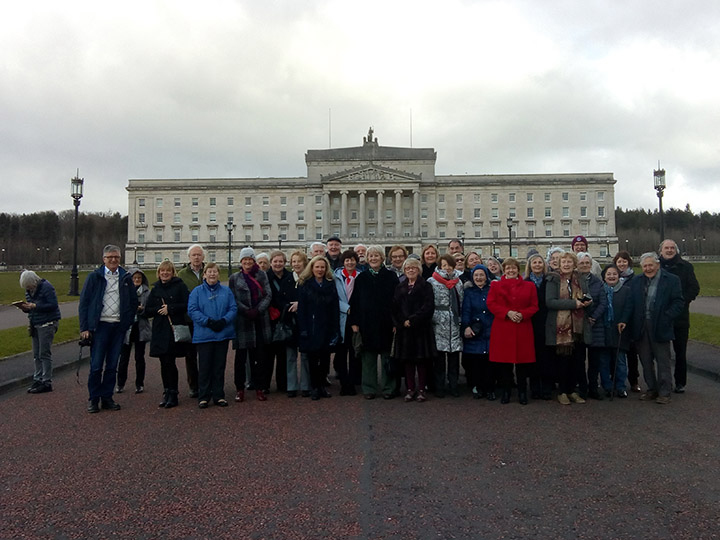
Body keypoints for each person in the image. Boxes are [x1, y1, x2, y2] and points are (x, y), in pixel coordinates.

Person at [79, 245, 138, 413]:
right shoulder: (94, 277)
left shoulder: (125, 277)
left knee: (112, 365)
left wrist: (126, 322)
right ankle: (93, 398)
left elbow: (133, 302)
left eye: (116, 257)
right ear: (104, 259)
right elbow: (84, 303)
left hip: (118, 326)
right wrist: (84, 327)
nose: (113, 260)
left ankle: (107, 397)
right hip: (100, 326)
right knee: (96, 365)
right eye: (110, 257)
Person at [619, 252, 684, 404]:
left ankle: (665, 391)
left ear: (658, 265)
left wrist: (667, 316)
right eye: (645, 266)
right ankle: (652, 389)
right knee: (646, 360)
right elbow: (630, 304)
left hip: (661, 324)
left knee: (663, 360)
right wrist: (623, 320)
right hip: (641, 325)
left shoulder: (671, 280)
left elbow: (678, 302)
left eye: (650, 265)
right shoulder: (636, 281)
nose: (648, 268)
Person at [350, 245, 399, 399]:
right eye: (370, 256)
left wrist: (396, 322)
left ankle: (388, 388)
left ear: (382, 258)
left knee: (387, 357)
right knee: (368, 359)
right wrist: (355, 322)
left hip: (386, 323)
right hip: (367, 323)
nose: (373, 258)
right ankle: (369, 388)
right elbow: (355, 302)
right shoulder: (362, 278)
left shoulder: (391, 277)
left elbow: (398, 302)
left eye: (376, 256)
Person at [487, 257, 539, 405]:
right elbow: (491, 303)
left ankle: (522, 392)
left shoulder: (529, 286)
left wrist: (523, 314)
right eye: (508, 268)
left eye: (513, 268)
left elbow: (534, 306)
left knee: (522, 364)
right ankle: (506, 391)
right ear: (504, 270)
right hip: (503, 326)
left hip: (522, 326)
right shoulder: (496, 286)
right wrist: (507, 313)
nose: (511, 270)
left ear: (518, 269)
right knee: (505, 364)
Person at [187, 262, 237, 408]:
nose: (212, 274)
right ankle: (204, 396)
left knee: (219, 366)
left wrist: (224, 320)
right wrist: (207, 322)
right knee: (204, 366)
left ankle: (218, 395)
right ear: (204, 274)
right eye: (209, 271)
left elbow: (233, 308)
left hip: (222, 332)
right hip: (204, 333)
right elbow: (193, 310)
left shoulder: (226, 291)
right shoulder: (196, 292)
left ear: (218, 274)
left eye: (215, 271)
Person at [545, 251, 592, 405]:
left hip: (577, 327)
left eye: (569, 262)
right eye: (563, 262)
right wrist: (574, 304)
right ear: (559, 264)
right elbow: (550, 302)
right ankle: (562, 391)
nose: (566, 265)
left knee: (577, 361)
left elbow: (586, 294)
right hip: (561, 328)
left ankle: (572, 390)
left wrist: (587, 301)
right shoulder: (553, 279)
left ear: (574, 264)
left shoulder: (580, 279)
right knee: (563, 362)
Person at [145, 261, 190, 409]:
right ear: (158, 273)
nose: (165, 273)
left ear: (172, 272)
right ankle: (166, 391)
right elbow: (148, 310)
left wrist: (170, 308)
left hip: (173, 328)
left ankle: (173, 393)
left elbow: (187, 304)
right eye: (162, 271)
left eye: (167, 271)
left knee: (170, 362)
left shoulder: (180, 286)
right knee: (163, 362)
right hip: (159, 329)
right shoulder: (156, 288)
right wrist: (159, 309)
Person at [230, 247, 272, 402]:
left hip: (259, 320)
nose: (247, 262)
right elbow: (233, 298)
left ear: (254, 261)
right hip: (243, 321)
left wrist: (258, 310)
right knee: (240, 359)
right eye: (244, 259)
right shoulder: (235, 278)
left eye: (250, 259)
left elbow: (268, 294)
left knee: (259, 358)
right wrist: (246, 311)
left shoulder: (262, 275)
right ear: (241, 262)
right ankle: (239, 388)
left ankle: (259, 388)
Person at [391, 258, 436, 402]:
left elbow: (428, 306)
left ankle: (421, 389)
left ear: (419, 270)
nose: (411, 270)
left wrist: (413, 319)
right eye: (408, 268)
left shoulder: (426, 286)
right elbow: (395, 307)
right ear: (404, 271)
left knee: (421, 360)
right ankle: (410, 389)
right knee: (408, 361)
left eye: (414, 268)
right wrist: (402, 321)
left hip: (420, 328)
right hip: (405, 329)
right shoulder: (400, 287)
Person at [659, 239, 700, 393]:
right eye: (666, 248)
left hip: (680, 317)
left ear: (676, 250)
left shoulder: (686, 267)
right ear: (661, 251)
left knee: (680, 352)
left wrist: (681, 302)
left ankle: (680, 382)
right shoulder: (656, 267)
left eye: (672, 248)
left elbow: (694, 288)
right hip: (661, 316)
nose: (669, 250)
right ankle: (664, 381)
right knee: (661, 353)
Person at [296, 255, 341, 400]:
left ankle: (322, 386)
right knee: (313, 360)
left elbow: (335, 307)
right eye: (317, 267)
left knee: (325, 359)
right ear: (312, 268)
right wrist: (303, 329)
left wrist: (335, 328)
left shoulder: (330, 284)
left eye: (322, 267)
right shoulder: (305, 284)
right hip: (311, 326)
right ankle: (314, 387)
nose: (320, 270)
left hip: (326, 326)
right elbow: (302, 309)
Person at [18, 270, 61, 394]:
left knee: (44, 353)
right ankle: (38, 378)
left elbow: (53, 305)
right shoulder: (29, 291)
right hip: (35, 323)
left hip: (47, 323)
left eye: (29, 286)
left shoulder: (47, 287)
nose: (28, 289)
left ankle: (46, 381)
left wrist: (35, 306)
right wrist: (25, 308)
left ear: (34, 281)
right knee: (36, 354)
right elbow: (31, 309)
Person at [428, 254, 464, 397]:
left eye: (449, 265)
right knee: (439, 359)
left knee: (454, 358)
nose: (447, 268)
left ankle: (454, 385)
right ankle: (440, 387)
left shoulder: (458, 282)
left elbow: (461, 302)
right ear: (439, 266)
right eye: (444, 265)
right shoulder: (432, 281)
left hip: (454, 321)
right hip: (439, 321)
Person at [461, 264, 495, 400]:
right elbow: (466, 311)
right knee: (477, 362)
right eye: (476, 275)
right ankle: (478, 387)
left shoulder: (492, 290)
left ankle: (490, 388)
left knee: (490, 362)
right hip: (476, 330)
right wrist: (466, 326)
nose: (479, 278)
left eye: (481, 275)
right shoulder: (469, 292)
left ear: (486, 277)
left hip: (491, 329)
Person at [578, 252, 608, 400]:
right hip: (579, 324)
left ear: (591, 265)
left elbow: (603, 302)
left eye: (587, 263)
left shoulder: (597, 281)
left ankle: (593, 388)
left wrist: (593, 317)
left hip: (595, 325)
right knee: (579, 359)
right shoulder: (574, 281)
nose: (584, 265)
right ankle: (582, 387)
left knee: (594, 360)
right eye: (582, 263)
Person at [117, 269, 151, 394]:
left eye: (139, 278)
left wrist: (142, 310)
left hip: (140, 327)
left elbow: (150, 310)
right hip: (127, 328)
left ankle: (139, 383)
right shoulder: (124, 292)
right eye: (134, 278)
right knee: (123, 358)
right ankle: (120, 383)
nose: (136, 280)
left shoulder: (147, 292)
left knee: (139, 357)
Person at [524, 251, 553, 400]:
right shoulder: (526, 282)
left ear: (544, 265)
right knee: (533, 356)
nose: (537, 265)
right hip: (531, 323)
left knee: (546, 356)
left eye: (540, 262)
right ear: (530, 265)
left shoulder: (549, 281)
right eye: (534, 262)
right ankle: (535, 388)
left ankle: (547, 388)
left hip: (547, 322)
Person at [178, 244, 205, 398]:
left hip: (206, 320)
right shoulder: (182, 274)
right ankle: (193, 385)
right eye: (194, 255)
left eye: (199, 255)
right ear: (189, 257)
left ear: (203, 257)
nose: (196, 257)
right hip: (189, 319)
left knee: (206, 354)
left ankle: (206, 383)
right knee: (190, 355)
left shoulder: (209, 272)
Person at [599, 265, 631, 398]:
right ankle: (607, 386)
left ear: (619, 276)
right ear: (604, 277)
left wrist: (623, 320)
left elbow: (629, 307)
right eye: (608, 274)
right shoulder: (601, 291)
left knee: (621, 361)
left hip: (619, 330)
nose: (611, 276)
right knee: (604, 361)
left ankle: (620, 386)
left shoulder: (626, 290)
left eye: (614, 274)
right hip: (604, 329)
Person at [334, 249, 362, 395]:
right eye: (347, 260)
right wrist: (346, 308)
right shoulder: (335, 277)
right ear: (343, 262)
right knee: (341, 352)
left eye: (352, 260)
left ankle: (352, 382)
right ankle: (344, 383)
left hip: (355, 317)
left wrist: (354, 311)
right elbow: (333, 298)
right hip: (341, 317)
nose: (350, 262)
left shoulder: (361, 276)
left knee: (354, 351)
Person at [266, 250, 293, 394]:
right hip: (270, 318)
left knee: (283, 355)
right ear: (271, 263)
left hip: (285, 318)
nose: (278, 264)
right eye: (275, 261)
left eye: (280, 261)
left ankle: (282, 384)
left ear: (284, 263)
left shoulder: (290, 276)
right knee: (268, 355)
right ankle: (265, 384)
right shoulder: (265, 277)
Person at [613, 250, 640, 392]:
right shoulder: (612, 277)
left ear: (628, 262)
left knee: (632, 352)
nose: (622, 264)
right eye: (619, 261)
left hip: (632, 318)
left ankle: (634, 380)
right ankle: (617, 381)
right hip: (617, 318)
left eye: (624, 261)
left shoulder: (635, 278)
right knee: (617, 352)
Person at [287, 250, 311, 397]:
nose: (296, 264)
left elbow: (312, 299)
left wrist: (300, 304)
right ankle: (291, 386)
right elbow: (280, 297)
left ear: (304, 263)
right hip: (290, 321)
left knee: (305, 355)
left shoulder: (309, 279)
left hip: (305, 321)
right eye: (293, 261)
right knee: (290, 355)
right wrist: (289, 306)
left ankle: (306, 385)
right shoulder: (287, 278)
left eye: (298, 261)